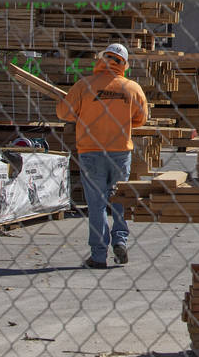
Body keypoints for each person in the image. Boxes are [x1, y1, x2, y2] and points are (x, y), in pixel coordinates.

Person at [57, 43, 148, 268]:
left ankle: (99, 255)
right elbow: (141, 118)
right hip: (120, 152)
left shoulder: (84, 85)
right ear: (124, 64)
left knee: (96, 204)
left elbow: (63, 113)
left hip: (91, 152)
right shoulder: (132, 88)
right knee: (119, 200)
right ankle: (120, 241)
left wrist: (83, 111)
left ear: (102, 59)